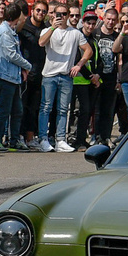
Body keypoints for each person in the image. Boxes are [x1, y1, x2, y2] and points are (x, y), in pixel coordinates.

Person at [37, 8, 83, 152]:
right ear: (53, 15)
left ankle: (61, 140)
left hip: (66, 75)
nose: (61, 17)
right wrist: (53, 27)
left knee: (63, 110)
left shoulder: (75, 33)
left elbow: (88, 50)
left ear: (68, 16)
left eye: (64, 14)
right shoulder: (47, 30)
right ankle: (43, 139)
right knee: (46, 108)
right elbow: (41, 42)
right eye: (58, 14)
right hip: (49, 75)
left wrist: (79, 65)